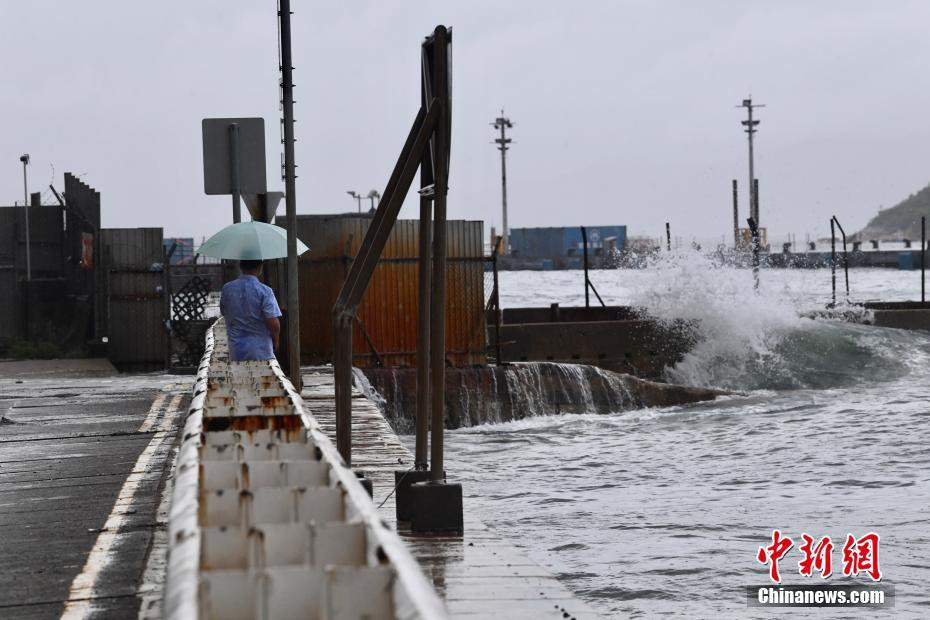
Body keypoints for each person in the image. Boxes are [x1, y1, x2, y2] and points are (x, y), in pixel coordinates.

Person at [219, 259, 282, 361]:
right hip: (261, 351)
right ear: (260, 268)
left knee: (238, 376)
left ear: (241, 267)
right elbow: (273, 321)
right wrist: (276, 340)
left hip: (236, 350)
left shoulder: (227, 289)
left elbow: (223, 311)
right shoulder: (265, 291)